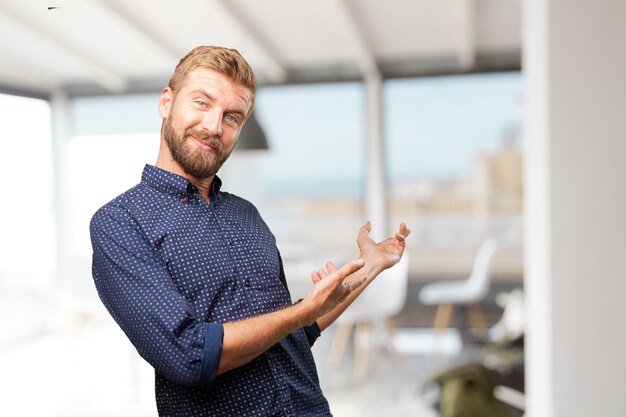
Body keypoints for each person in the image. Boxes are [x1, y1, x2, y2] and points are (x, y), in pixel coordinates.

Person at [90, 45, 410, 417]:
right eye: (201, 103)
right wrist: (303, 311)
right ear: (167, 101)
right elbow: (189, 356)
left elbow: (290, 335)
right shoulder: (121, 222)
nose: (213, 127)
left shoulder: (246, 214)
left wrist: (368, 268)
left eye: (232, 117)